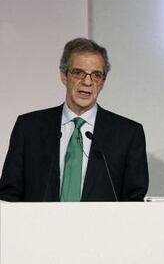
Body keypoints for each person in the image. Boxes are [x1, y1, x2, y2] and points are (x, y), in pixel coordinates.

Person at [0, 38, 149, 201]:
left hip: (102, 227)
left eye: (96, 75)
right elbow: (9, 194)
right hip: (41, 226)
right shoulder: (29, 128)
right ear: (63, 75)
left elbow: (134, 202)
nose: (87, 82)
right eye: (78, 72)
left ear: (103, 83)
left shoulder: (128, 134)